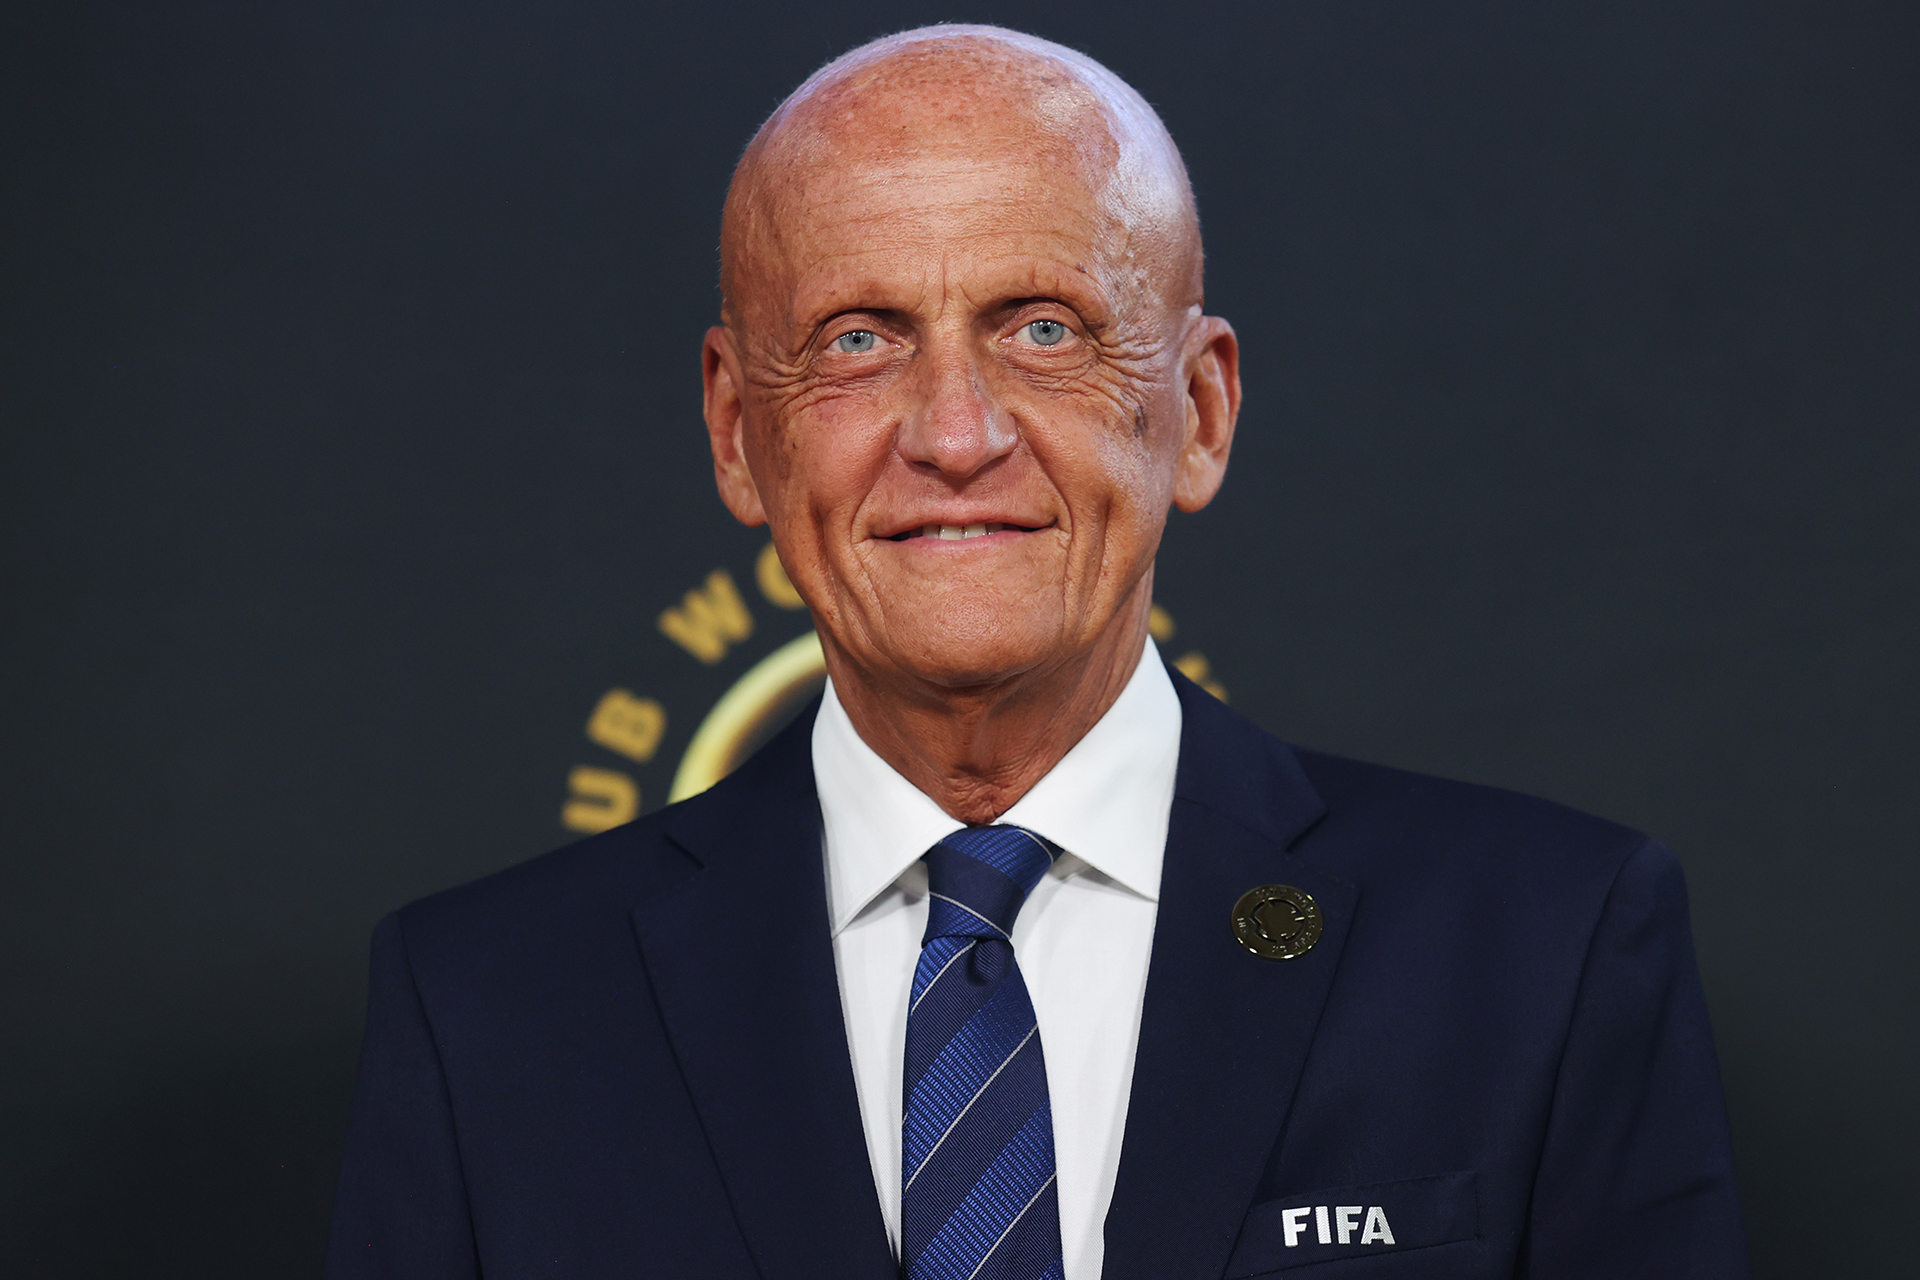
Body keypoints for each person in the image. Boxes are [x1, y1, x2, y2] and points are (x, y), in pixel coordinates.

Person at [324, 25, 1749, 1280]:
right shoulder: (487, 1013)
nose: (956, 434)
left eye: (1045, 328)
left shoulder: (1544, 951)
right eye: (858, 338)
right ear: (737, 431)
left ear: (1200, 411)